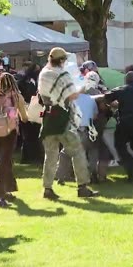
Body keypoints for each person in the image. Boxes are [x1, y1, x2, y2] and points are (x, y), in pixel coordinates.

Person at [38, 47, 98, 199]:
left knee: (50, 155)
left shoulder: (43, 73)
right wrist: (86, 86)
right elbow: (71, 95)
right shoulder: (62, 74)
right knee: (77, 151)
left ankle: (47, 188)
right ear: (62, 60)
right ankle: (82, 187)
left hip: (47, 117)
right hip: (62, 118)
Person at [0, 73, 28, 208]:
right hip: (9, 132)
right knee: (4, 162)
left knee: (6, 160)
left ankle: (6, 190)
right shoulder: (16, 96)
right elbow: (24, 118)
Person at [56, 76, 99, 184]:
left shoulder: (70, 99)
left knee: (65, 154)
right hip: (87, 130)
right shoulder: (91, 99)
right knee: (92, 151)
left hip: (73, 129)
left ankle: (61, 176)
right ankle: (93, 173)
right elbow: (95, 116)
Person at [17, 62, 44, 164]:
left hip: (36, 109)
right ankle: (26, 157)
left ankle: (36, 155)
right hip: (26, 108)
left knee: (36, 132)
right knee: (26, 134)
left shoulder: (38, 81)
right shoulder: (22, 82)